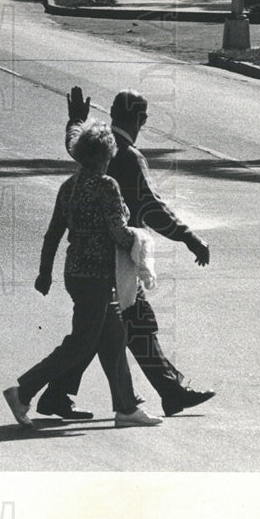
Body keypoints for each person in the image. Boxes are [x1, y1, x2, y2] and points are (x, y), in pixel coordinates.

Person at [37, 87, 215, 420]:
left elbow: (73, 141)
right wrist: (189, 238)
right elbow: (152, 207)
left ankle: (167, 391)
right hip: (117, 260)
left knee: (116, 328)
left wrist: (76, 118)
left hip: (91, 262)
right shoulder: (129, 156)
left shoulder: (95, 144)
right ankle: (50, 392)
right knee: (108, 330)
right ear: (140, 119)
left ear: (114, 113)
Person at [3, 121, 164, 429]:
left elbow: (53, 234)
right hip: (98, 277)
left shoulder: (69, 186)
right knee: (81, 343)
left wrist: (44, 273)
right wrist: (141, 241)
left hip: (75, 273)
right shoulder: (106, 185)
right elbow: (118, 233)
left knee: (114, 338)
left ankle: (127, 408)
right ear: (106, 154)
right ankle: (22, 392)